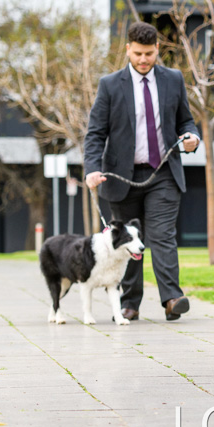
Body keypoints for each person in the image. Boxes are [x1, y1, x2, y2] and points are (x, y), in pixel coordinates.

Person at [84, 22, 201, 322]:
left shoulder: (173, 79)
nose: (143, 59)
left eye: (149, 53)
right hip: (122, 177)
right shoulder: (110, 85)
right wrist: (92, 169)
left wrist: (192, 137)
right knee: (127, 241)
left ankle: (172, 299)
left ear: (157, 49)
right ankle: (129, 303)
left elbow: (185, 121)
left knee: (162, 235)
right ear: (128, 49)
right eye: (137, 54)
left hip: (163, 172)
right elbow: (95, 133)